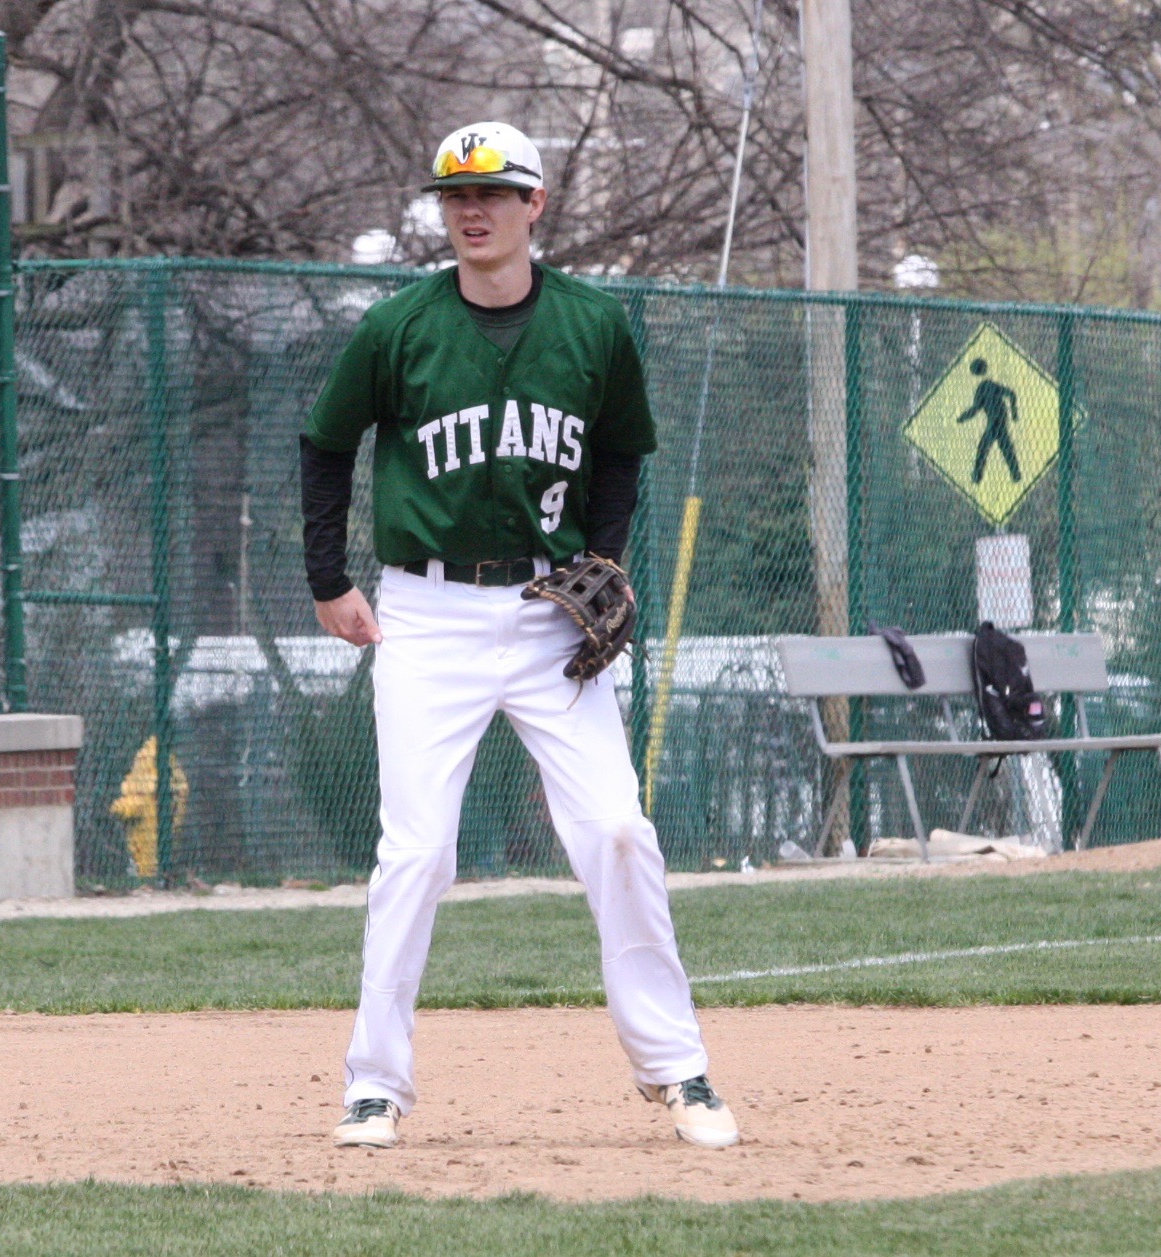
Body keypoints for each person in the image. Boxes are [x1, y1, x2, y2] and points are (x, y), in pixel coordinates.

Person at [299, 121, 739, 1152]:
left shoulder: (592, 326)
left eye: (492, 193)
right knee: (416, 852)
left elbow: (622, 455)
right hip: (429, 612)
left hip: (551, 617)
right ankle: (374, 1085)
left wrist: (610, 560)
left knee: (619, 832)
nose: (471, 211)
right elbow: (325, 444)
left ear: (534, 205)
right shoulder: (399, 326)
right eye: (454, 196)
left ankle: (676, 1070)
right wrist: (327, 580)